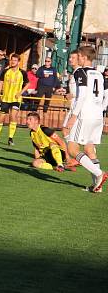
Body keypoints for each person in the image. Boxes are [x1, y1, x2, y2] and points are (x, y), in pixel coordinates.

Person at [66, 46, 108, 192]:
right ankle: (97, 186)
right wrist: (100, 109)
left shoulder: (81, 72)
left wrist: (74, 116)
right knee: (89, 148)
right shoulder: (100, 74)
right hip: (98, 115)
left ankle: (99, 173)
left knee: (72, 148)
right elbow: (105, 95)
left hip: (85, 115)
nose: (77, 58)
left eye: (78, 56)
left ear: (83, 57)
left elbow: (82, 96)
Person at [0, 53, 28, 146]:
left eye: (15, 60)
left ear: (19, 62)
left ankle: (10, 138)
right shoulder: (5, 71)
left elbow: (28, 84)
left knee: (13, 116)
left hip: (16, 99)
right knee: (1, 118)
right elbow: (0, 83)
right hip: (5, 98)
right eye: (12, 60)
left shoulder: (23, 73)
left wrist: (20, 92)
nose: (13, 62)